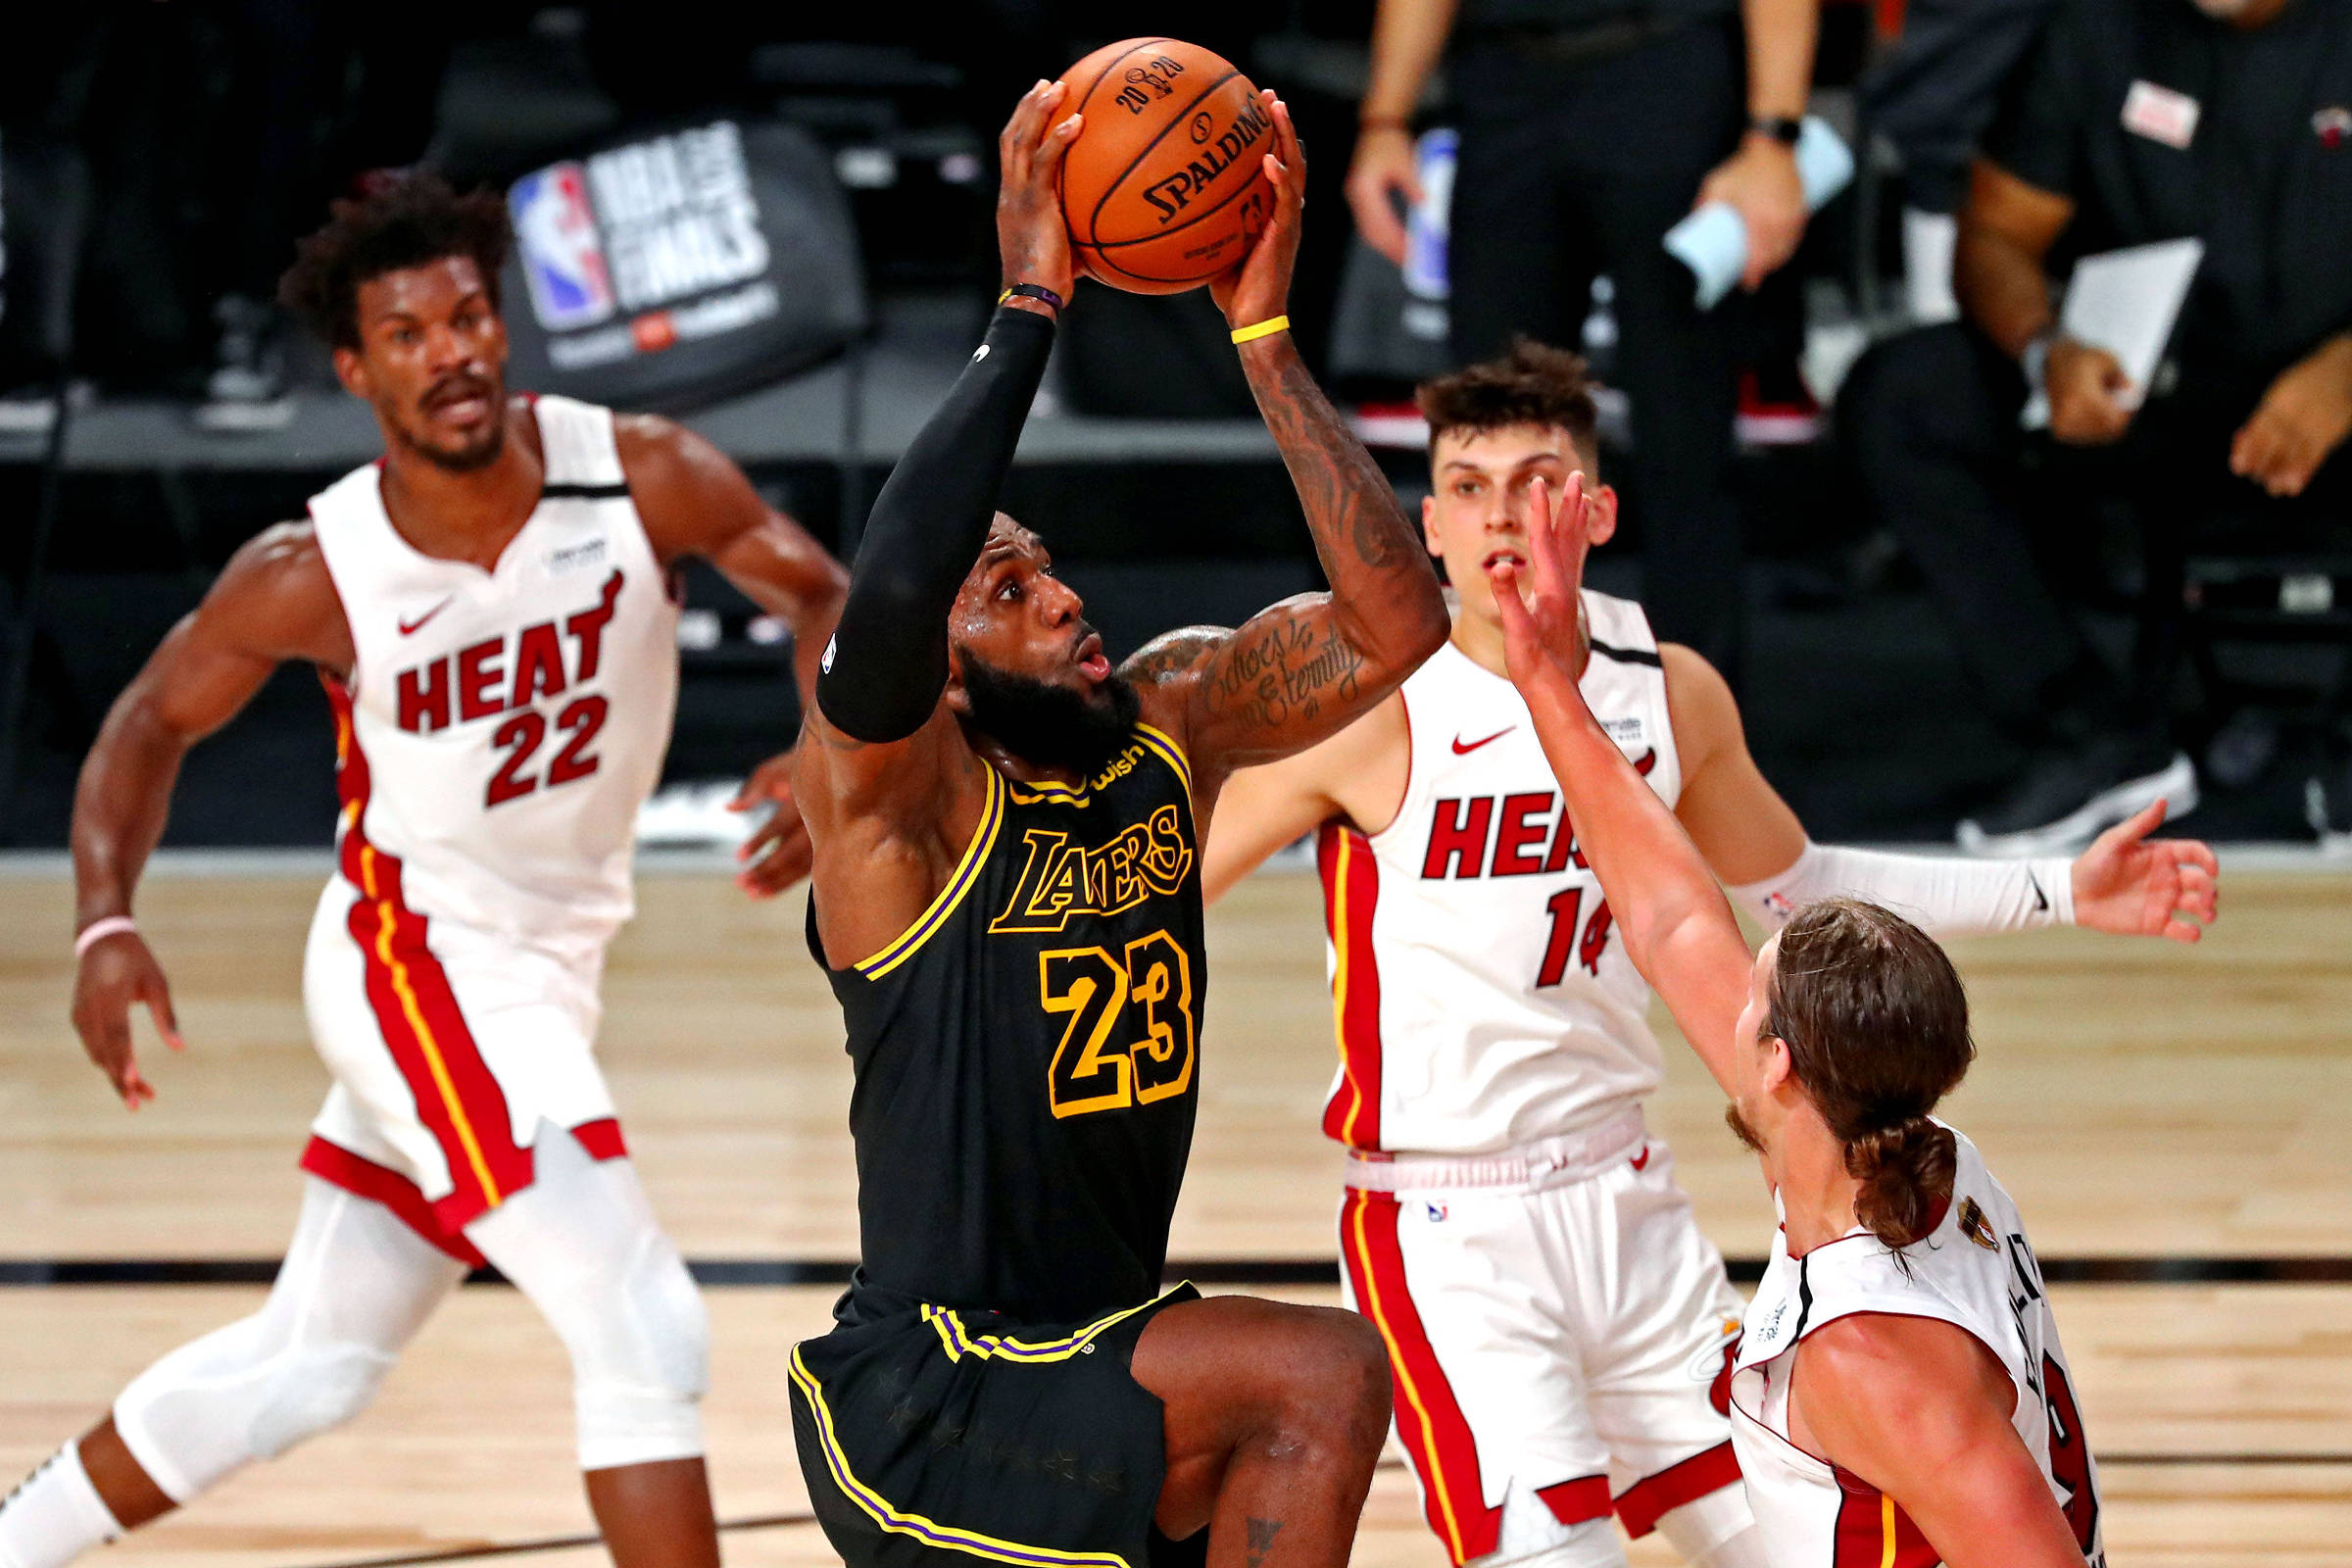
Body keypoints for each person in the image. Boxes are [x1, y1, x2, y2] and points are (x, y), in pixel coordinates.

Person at [1200, 339, 2211, 1568]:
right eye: (1469, 486)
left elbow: (1798, 894)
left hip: (1632, 1196)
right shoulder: (1365, 709)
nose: (1504, 515)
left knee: (1785, 1527)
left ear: (1598, 508)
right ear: (1428, 524)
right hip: (1443, 1217)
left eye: (1538, 480)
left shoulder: (1665, 690)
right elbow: (1159, 885)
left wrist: (2057, 888)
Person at [0, 173, 846, 1568]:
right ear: (357, 368)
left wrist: (826, 745)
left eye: (467, 317)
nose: (448, 351)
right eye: (408, 333)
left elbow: (820, 594)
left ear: (502, 330)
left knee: (312, 1365)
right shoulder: (318, 568)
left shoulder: (636, 472)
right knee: (642, 1324)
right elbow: (148, 722)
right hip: (418, 964)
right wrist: (104, 925)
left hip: (547, 972)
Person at [783, 82, 1449, 1568]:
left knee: (1290, 1414)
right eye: (1005, 593)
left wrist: (1262, 335)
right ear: (940, 673)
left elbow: (1399, 622)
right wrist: (1031, 298)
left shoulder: (1177, 725)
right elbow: (892, 587)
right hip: (937, 1387)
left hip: (1097, 1346)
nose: (1065, 595)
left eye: (1051, 570)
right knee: (1326, 1372)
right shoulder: (904, 816)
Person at [1489, 472, 2108, 1567]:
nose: (1727, 981)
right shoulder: (1908, 1153)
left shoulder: (1875, 1352)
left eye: (1753, 984)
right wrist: (1547, 680)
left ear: (1778, 1062)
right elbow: (1670, 911)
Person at [1842, 0, 2352, 853]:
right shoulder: (2100, 29)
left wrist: (2345, 377)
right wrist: (2045, 347)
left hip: (2336, 399)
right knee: (1905, 398)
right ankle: (2091, 731)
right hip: (2145, 393)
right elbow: (1996, 234)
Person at [1346, 0, 1822, 681]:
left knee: (1685, 437)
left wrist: (1774, 137)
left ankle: (1690, 735)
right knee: (1488, 428)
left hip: (1668, 67)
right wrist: (1384, 119)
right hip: (1500, 78)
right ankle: (1493, 710)